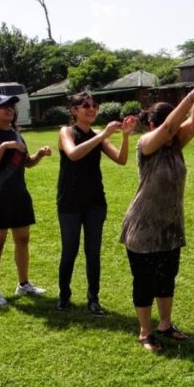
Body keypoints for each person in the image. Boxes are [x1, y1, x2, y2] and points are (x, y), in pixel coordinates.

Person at [119, 76, 194, 351]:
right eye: (164, 128)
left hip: (170, 226)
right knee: (145, 281)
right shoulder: (145, 145)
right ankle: (145, 332)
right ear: (152, 126)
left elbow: (193, 123)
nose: (170, 132)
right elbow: (172, 124)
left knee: (167, 277)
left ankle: (165, 324)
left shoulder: (175, 145)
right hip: (143, 227)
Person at [56, 92, 135, 315]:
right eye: (85, 106)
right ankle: (64, 295)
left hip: (95, 202)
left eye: (94, 106)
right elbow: (73, 154)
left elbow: (121, 160)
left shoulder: (99, 136)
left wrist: (126, 136)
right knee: (69, 251)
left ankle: (93, 299)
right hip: (70, 202)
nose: (91, 109)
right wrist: (102, 136)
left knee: (93, 252)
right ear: (74, 110)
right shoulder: (66, 132)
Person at [0, 95, 52, 307]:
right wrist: (4, 147)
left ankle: (23, 283)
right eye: (4, 107)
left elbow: (26, 163)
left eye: (11, 106)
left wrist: (39, 154)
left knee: (23, 240)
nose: (9, 109)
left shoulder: (16, 134)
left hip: (19, 194)